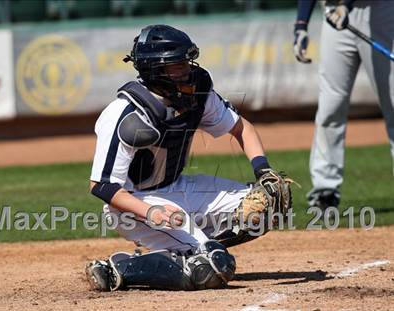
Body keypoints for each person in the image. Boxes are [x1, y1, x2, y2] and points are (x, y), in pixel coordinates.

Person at [85, 25, 292, 292]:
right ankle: (117, 270)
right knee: (211, 269)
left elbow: (243, 129)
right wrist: (151, 212)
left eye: (186, 61)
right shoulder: (125, 113)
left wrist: (263, 172)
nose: (186, 69)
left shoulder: (195, 94)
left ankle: (191, 250)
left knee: (266, 207)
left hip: (179, 187)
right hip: (133, 204)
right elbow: (102, 185)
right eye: (176, 64)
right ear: (155, 70)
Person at [293, 0, 394, 211]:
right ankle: (324, 191)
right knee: (331, 105)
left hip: (379, 11)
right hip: (335, 14)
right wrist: (301, 24)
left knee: (393, 104)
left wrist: (345, 5)